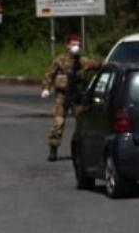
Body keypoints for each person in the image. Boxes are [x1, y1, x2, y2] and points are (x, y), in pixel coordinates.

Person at [40, 32, 101, 162]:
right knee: (58, 121)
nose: (76, 47)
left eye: (78, 44)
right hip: (62, 95)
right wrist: (46, 88)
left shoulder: (83, 61)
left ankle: (81, 150)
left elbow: (99, 65)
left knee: (81, 123)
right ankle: (53, 149)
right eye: (74, 44)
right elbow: (49, 74)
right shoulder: (60, 60)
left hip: (77, 95)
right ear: (68, 45)